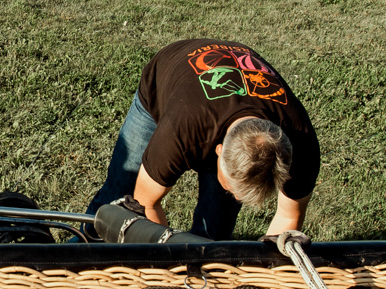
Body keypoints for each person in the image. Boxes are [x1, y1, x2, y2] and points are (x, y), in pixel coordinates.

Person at [87, 38, 319, 241]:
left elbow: (288, 217)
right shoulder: (181, 130)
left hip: (218, 96)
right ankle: (81, 249)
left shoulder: (301, 144)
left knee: (218, 220)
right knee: (120, 191)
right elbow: (144, 203)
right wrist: (168, 265)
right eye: (233, 189)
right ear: (218, 151)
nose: (237, 198)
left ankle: (203, 273)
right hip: (167, 77)